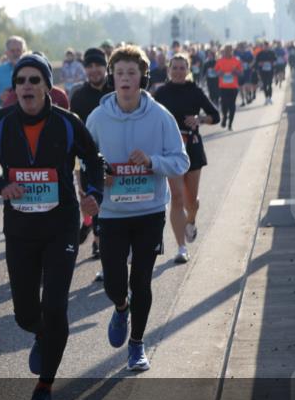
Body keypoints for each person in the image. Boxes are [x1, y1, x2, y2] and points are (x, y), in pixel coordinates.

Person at [0, 53, 103, 400]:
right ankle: (41, 333)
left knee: (56, 306)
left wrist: (93, 195)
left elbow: (93, 159)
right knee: (26, 314)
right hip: (21, 229)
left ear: (46, 86)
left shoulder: (67, 124)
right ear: (14, 89)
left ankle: (44, 388)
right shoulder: (0, 123)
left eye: (34, 80)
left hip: (61, 226)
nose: (26, 86)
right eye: (21, 81)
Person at [86, 45, 189, 372]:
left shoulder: (160, 117)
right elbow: (85, 162)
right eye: (120, 74)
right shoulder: (98, 118)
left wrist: (153, 162)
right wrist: (97, 176)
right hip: (112, 213)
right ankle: (121, 307)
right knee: (114, 282)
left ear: (142, 77)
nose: (126, 79)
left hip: (149, 212)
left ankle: (137, 345)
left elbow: (181, 160)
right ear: (112, 79)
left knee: (142, 280)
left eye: (132, 73)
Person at [153, 54, 220, 264]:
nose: (178, 71)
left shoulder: (195, 91)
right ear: (169, 70)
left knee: (192, 201)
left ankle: (191, 220)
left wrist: (199, 119)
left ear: (188, 70)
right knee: (177, 198)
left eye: (182, 68)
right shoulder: (160, 93)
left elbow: (215, 115)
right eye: (175, 67)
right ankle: (181, 247)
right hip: (170, 149)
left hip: (192, 147)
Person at [69, 48, 112, 267]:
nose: (94, 70)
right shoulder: (79, 96)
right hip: (88, 158)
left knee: (112, 203)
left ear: (106, 67)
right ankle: (95, 235)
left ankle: (98, 237)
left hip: (116, 156)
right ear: (85, 69)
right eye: (90, 66)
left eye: (99, 65)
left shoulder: (116, 89)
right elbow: (74, 132)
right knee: (91, 199)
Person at [0, 35, 26, 106]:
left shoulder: (33, 70)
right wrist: (0, 97)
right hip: (6, 114)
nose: (16, 54)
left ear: (24, 51)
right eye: (12, 51)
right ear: (6, 53)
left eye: (18, 50)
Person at [214, 44, 244, 130]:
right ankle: (224, 118)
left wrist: (236, 72)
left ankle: (230, 124)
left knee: (232, 105)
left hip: (233, 87)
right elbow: (215, 71)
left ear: (232, 51)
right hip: (223, 87)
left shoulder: (236, 61)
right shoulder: (220, 61)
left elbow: (241, 73)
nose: (228, 52)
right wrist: (220, 73)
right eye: (226, 51)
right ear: (224, 51)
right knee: (224, 105)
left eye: (229, 51)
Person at [254, 40, 277, 105]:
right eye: (264, 46)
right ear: (263, 47)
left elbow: (275, 61)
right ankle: (266, 98)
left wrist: (271, 63)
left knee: (269, 84)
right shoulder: (259, 54)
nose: (265, 47)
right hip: (263, 71)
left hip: (270, 71)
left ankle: (270, 97)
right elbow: (256, 63)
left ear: (268, 46)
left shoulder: (272, 53)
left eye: (266, 46)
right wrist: (260, 64)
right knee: (264, 85)